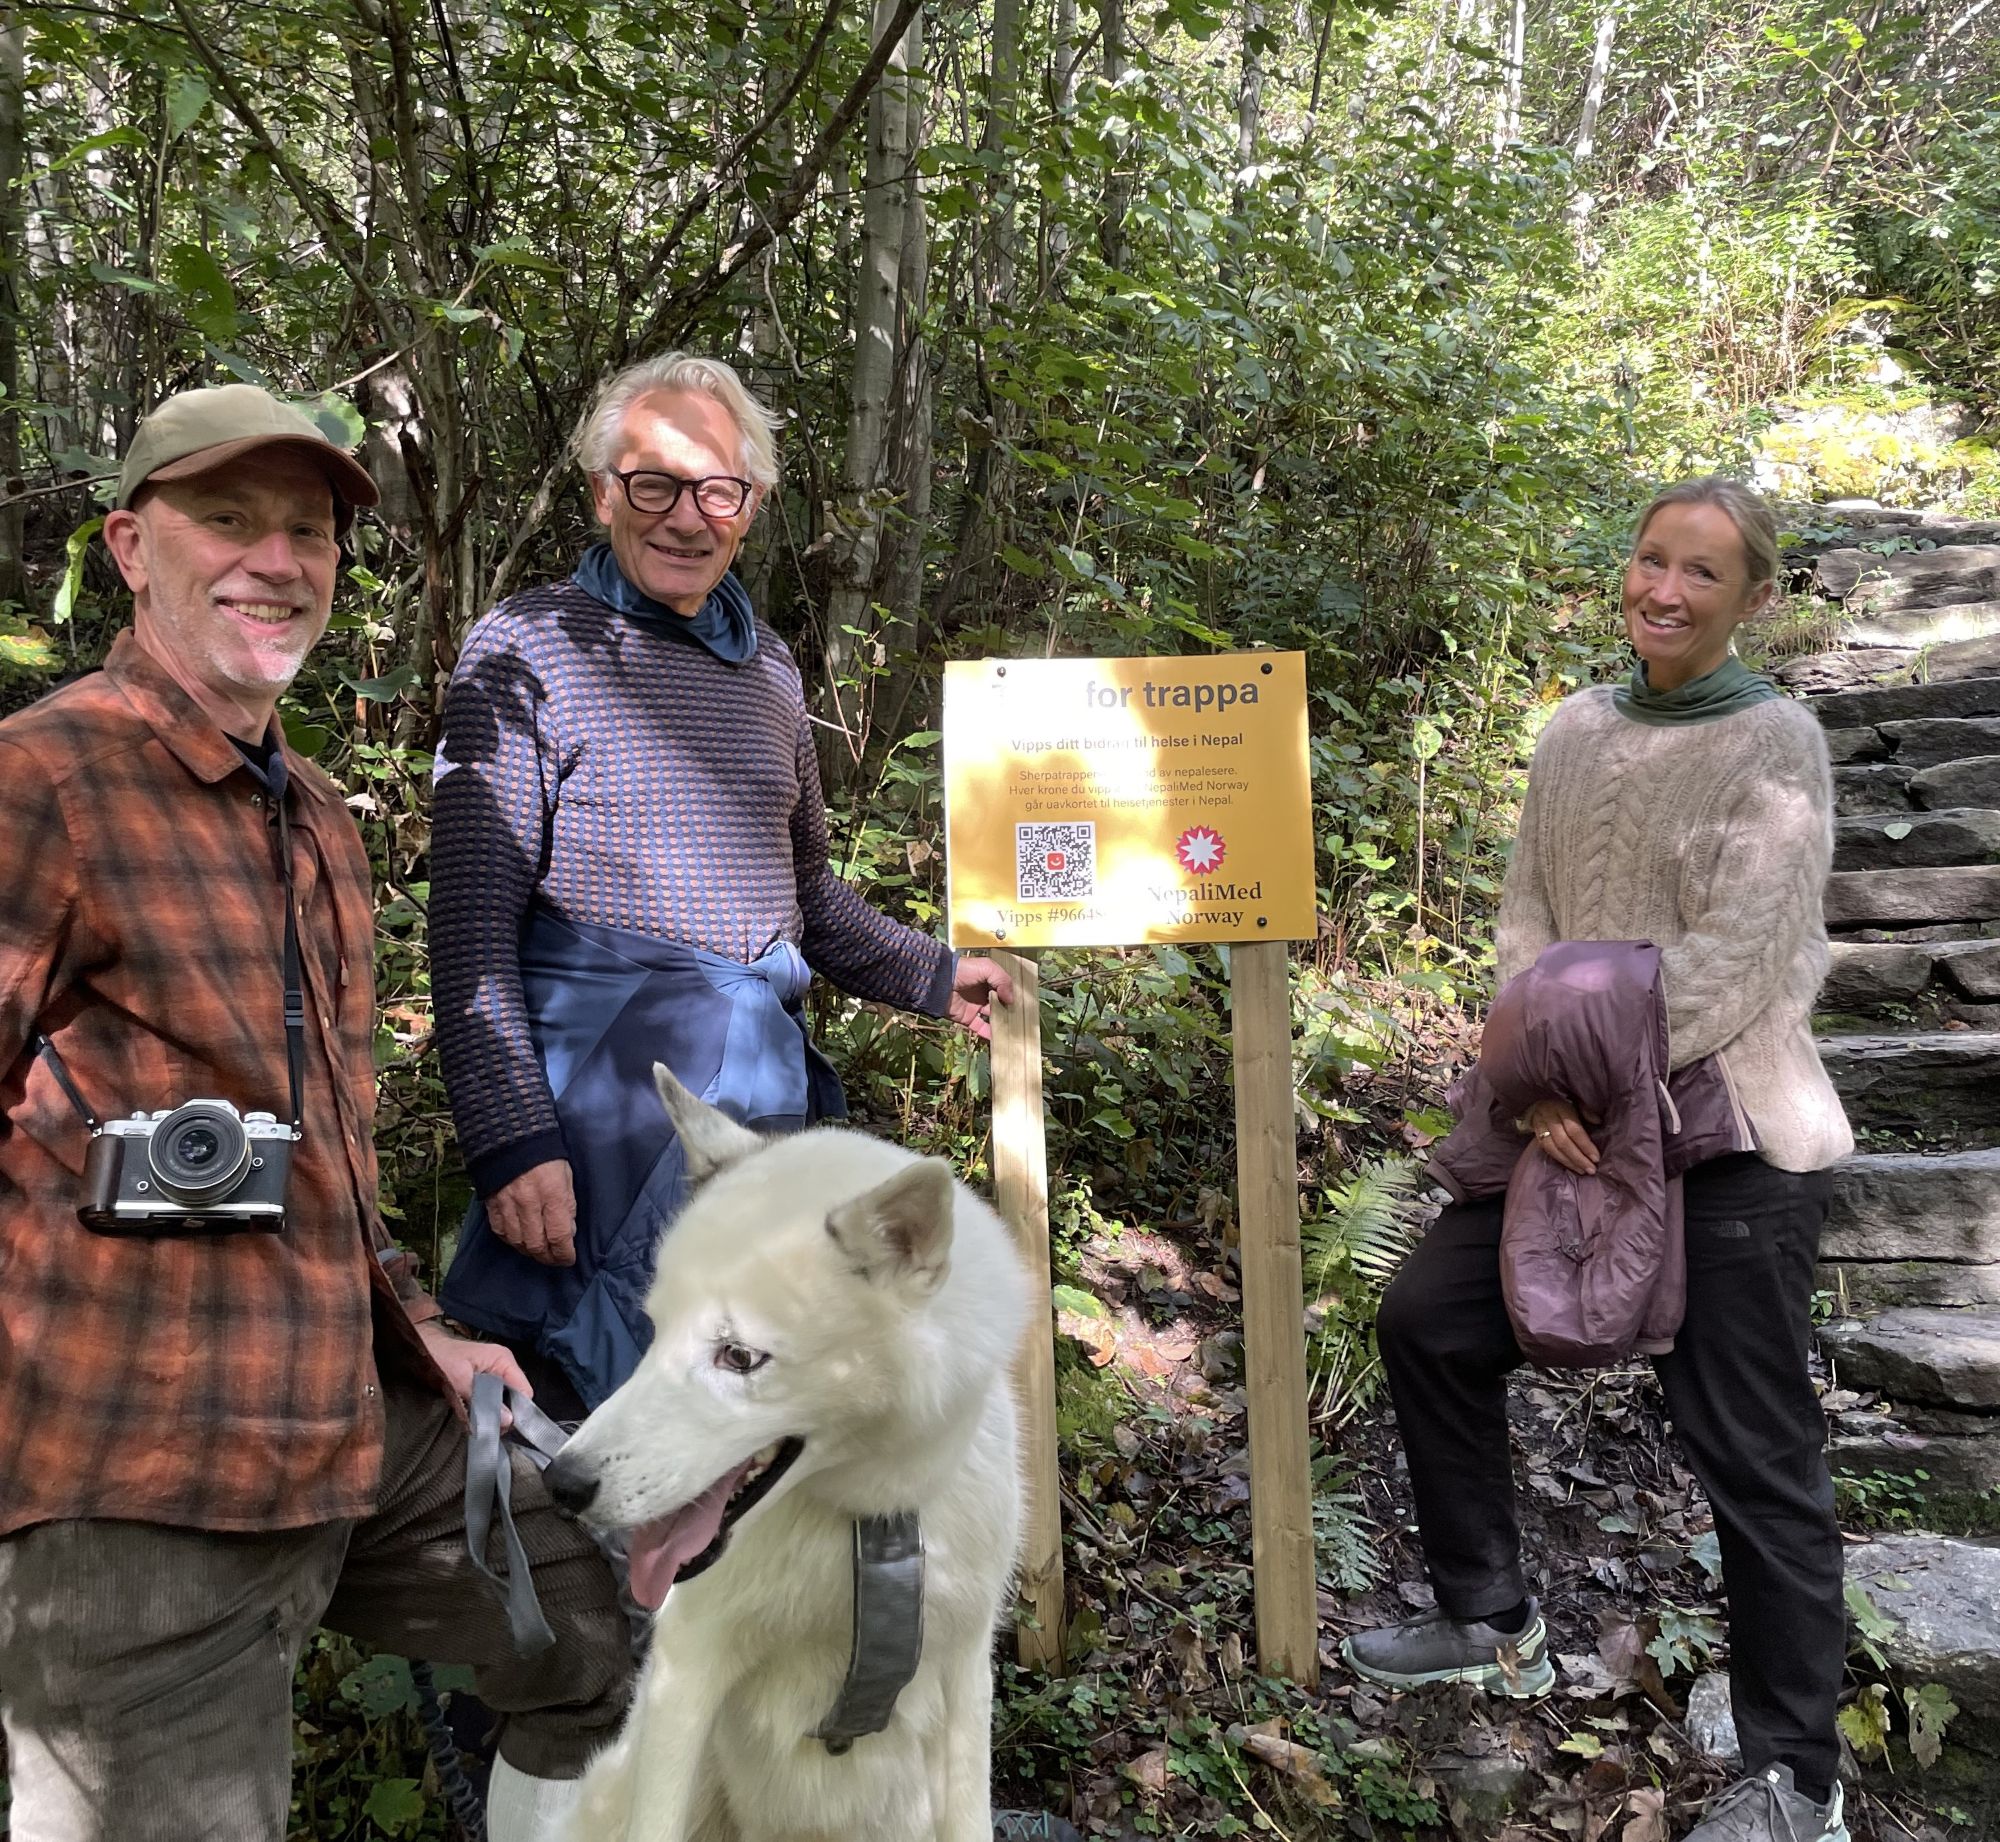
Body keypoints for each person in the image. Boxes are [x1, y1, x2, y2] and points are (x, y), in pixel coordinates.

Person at [0, 385, 630, 1842]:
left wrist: (423, 1322)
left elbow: (322, 1146)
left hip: (352, 1417)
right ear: (128, 543)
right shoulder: (42, 779)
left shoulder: (324, 818)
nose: (277, 559)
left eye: (309, 530)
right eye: (228, 519)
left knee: (610, 1621)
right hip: (136, 1477)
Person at [1343, 479, 1855, 1842]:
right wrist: (1537, 1082)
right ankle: (1492, 1619)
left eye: (1703, 571)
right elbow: (1528, 915)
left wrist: (1591, 1077)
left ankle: (1800, 1774)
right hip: (1565, 1123)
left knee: (1752, 1448)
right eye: (1649, 561)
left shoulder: (1776, 744)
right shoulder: (1572, 730)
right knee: (1428, 1318)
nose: (1666, 591)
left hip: (1729, 1137)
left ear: (1754, 596)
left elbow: (1741, 962)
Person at [429, 352, 1015, 1417]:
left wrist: (934, 973)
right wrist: (511, 1138)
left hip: (749, 1119)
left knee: (733, 1391)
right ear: (604, 490)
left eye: (718, 489)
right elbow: (471, 927)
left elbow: (804, 898)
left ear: (752, 503)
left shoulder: (772, 671)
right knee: (590, 1411)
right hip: (595, 1118)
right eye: (653, 484)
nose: (685, 516)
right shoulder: (526, 648)